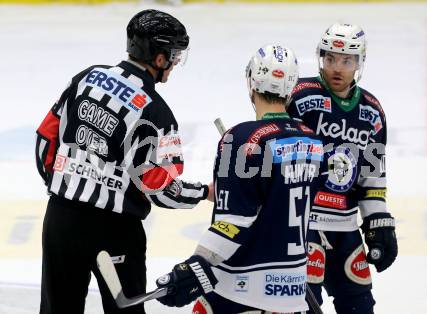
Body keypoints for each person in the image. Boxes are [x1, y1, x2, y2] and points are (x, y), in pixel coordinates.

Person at [35, 10, 210, 314]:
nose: (175, 62)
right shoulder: (156, 114)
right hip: (115, 232)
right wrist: (205, 192)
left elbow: (45, 141)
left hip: (60, 220)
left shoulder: (85, 78)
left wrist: (67, 188)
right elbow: (162, 191)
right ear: (158, 58)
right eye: (174, 54)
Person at [154, 44, 326, 314]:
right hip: (292, 291)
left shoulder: (242, 139)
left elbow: (233, 222)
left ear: (251, 82)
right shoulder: (313, 140)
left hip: (239, 290)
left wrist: (196, 265)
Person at [287, 23, 398, 314]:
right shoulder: (298, 97)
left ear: (360, 62)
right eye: (330, 58)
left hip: (346, 227)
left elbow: (372, 175)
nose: (337, 67)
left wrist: (378, 220)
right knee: (301, 306)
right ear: (320, 57)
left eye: (347, 60)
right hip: (302, 224)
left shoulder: (372, 111)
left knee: (359, 305)